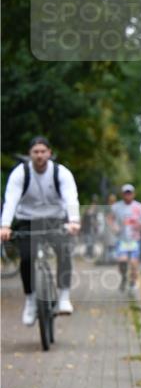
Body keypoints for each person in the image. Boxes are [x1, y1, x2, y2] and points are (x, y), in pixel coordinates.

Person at [0, 136, 81, 324]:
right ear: (30, 155)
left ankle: (63, 297)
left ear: (50, 153)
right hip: (28, 219)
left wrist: (74, 221)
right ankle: (30, 301)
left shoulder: (61, 173)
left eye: (43, 151)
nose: (39, 155)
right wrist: (5, 226)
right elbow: (10, 200)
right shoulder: (20, 173)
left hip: (55, 219)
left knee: (64, 252)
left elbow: (71, 197)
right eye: (35, 152)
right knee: (27, 259)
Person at [109, 184, 141, 293]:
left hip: (134, 239)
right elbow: (110, 219)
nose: (128, 195)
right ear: (122, 194)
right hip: (121, 239)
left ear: (133, 194)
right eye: (126, 193)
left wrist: (139, 225)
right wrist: (114, 227)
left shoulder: (139, 207)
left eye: (130, 193)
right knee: (122, 261)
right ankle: (123, 277)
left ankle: (133, 281)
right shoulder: (116, 207)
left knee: (133, 262)